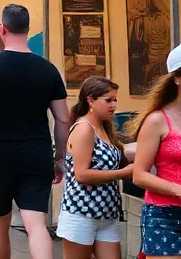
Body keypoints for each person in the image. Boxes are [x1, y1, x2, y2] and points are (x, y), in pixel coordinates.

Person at [0, 4, 68, 259]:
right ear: (28, 30)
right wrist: (59, 157)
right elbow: (63, 118)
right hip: (36, 151)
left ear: (2, 29)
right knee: (36, 224)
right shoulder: (47, 69)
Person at [128, 42, 181, 259]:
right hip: (165, 215)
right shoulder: (157, 120)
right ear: (176, 77)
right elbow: (139, 175)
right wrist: (180, 190)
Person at [57, 76, 131, 259]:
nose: (113, 105)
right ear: (91, 100)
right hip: (81, 213)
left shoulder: (105, 128)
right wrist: (124, 173)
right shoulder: (84, 128)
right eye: (108, 100)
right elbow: (82, 174)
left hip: (107, 215)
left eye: (115, 100)